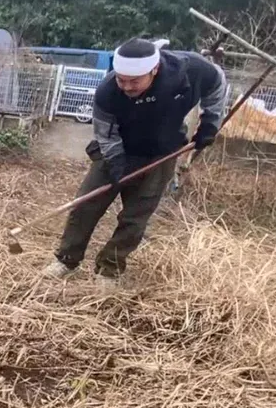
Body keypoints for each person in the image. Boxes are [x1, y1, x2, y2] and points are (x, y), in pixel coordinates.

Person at [44, 38, 228, 280]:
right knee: (85, 205)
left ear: (154, 70)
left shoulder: (188, 70)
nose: (127, 87)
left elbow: (217, 83)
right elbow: (105, 134)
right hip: (117, 147)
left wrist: (210, 123)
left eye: (134, 81)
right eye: (122, 80)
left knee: (136, 217)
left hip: (161, 153)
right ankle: (67, 260)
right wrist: (116, 165)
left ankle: (109, 269)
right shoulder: (108, 92)